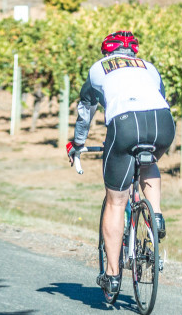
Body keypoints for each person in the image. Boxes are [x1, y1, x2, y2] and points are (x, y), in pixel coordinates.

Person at [66, 30, 175, 298]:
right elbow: (158, 97)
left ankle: (113, 275)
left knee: (116, 201)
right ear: (133, 53)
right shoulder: (150, 68)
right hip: (163, 123)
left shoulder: (98, 69)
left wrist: (78, 144)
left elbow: (85, 112)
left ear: (107, 52)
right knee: (148, 160)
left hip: (125, 125)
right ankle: (156, 216)